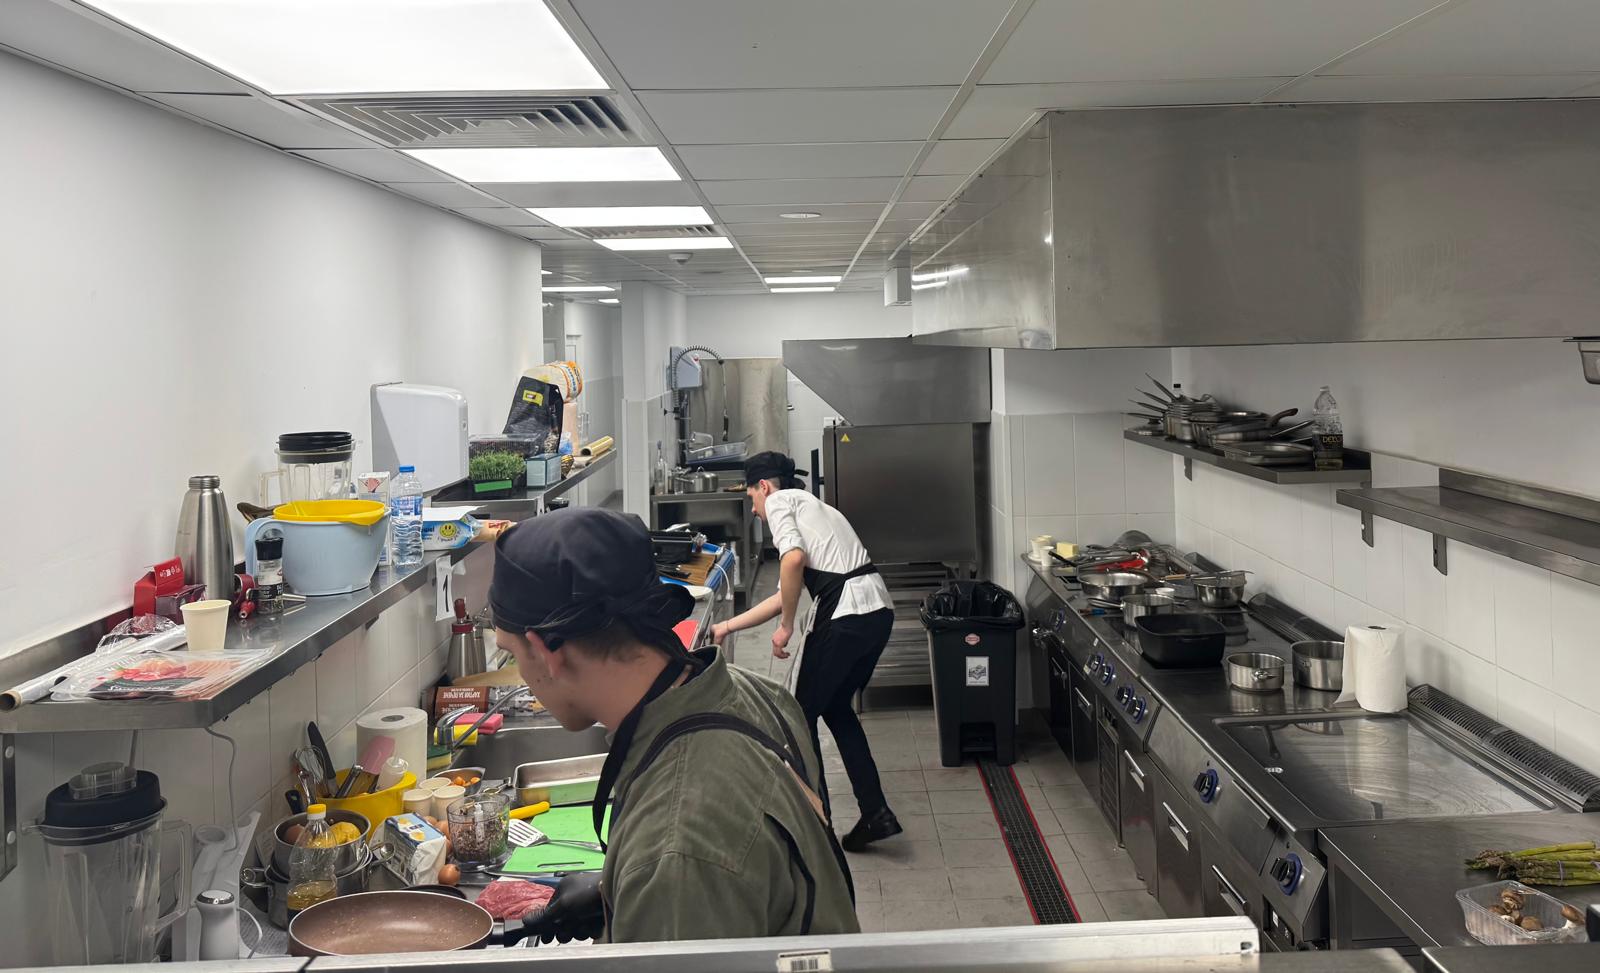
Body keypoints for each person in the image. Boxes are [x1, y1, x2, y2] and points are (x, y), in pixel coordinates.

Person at [489, 507, 857, 944]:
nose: (521, 674)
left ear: (546, 651)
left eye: (513, 654)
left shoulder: (675, 848)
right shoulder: (759, 693)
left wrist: (659, 889)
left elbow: (694, 851)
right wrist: (621, 896)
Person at [713, 451, 902, 852]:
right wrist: (726, 626)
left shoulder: (780, 502)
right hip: (876, 613)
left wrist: (786, 627)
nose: (755, 510)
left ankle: (819, 825)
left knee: (798, 716)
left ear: (764, 487)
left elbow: (793, 561)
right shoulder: (815, 507)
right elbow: (786, 590)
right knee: (836, 709)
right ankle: (876, 813)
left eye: (752, 499)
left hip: (846, 615)